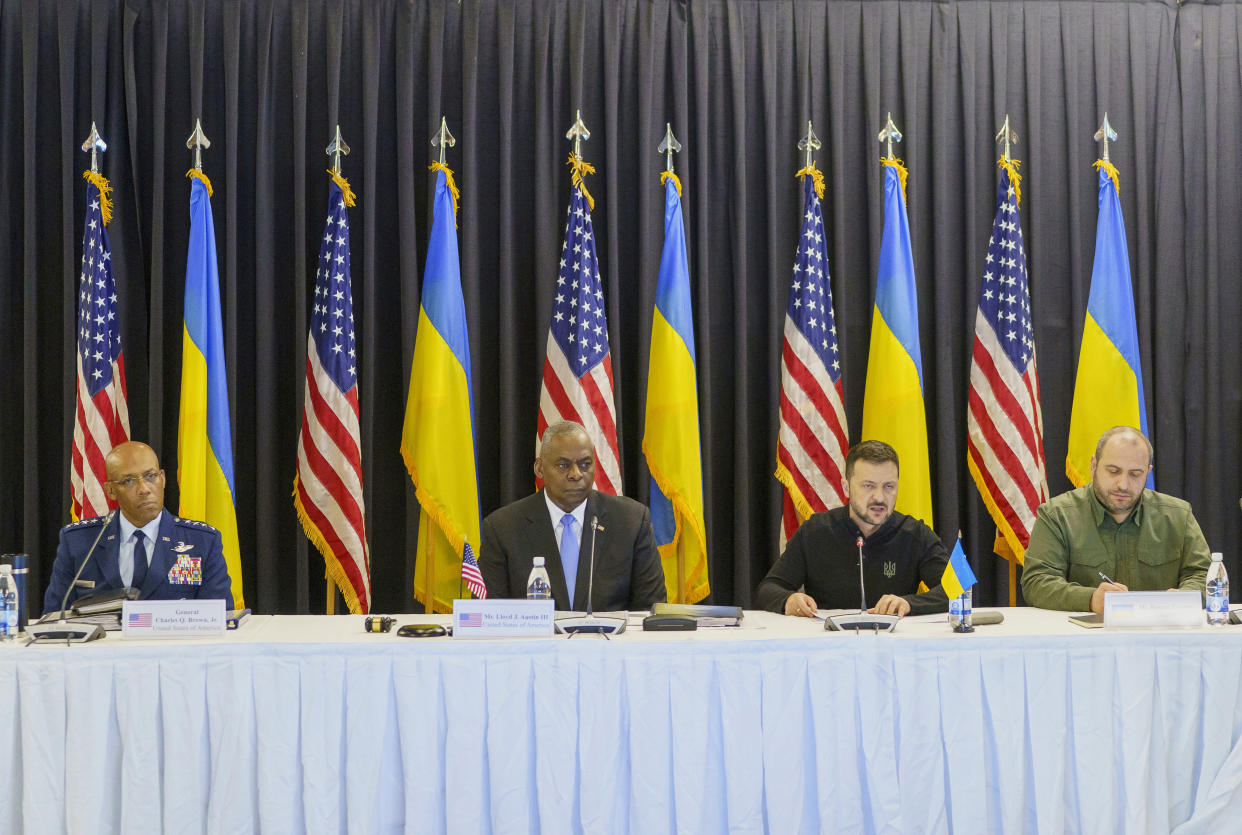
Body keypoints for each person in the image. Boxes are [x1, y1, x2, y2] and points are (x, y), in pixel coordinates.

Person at [479, 421, 666, 611]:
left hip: (608, 640)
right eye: (563, 465)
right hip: (536, 641)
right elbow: (489, 613)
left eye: (585, 464)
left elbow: (650, 609)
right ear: (540, 468)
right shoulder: (502, 528)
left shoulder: (630, 521)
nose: (576, 474)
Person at [1021, 426, 1211, 613]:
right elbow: (1037, 582)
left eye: (1135, 474)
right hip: (1083, 639)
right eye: (1113, 471)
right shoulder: (1057, 515)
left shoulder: (1178, 515)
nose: (1123, 484)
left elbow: (1205, 575)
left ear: (1148, 471)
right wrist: (1090, 599)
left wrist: (1183, 596)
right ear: (1093, 465)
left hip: (1160, 635)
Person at [757, 440, 951, 617]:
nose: (880, 498)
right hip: (828, 644)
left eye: (889, 487)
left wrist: (909, 604)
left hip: (892, 646)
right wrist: (788, 600)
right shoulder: (815, 531)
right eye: (868, 486)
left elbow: (958, 589)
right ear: (846, 487)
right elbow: (768, 588)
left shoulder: (915, 533)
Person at [43, 441, 234, 614]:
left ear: (163, 479)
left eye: (151, 476)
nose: (144, 489)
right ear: (110, 490)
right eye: (129, 481)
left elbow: (220, 617)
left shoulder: (202, 541)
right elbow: (54, 617)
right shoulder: (79, 541)